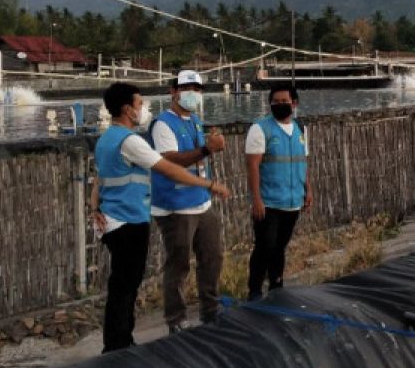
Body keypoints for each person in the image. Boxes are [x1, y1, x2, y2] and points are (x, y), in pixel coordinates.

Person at [92, 83, 230, 353]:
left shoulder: (106, 138)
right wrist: (209, 185)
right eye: (140, 104)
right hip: (129, 221)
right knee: (126, 286)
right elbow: (168, 169)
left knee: (122, 285)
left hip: (113, 219)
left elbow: (99, 179)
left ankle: (119, 342)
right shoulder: (130, 141)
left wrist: (94, 207)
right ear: (127, 110)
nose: (143, 109)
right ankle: (118, 346)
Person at [149, 70, 227, 332]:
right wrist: (207, 149)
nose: (193, 93)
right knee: (179, 263)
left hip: (201, 201)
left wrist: (210, 146)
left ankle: (210, 310)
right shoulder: (163, 124)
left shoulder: (194, 120)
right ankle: (176, 319)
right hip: (175, 205)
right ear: (173, 91)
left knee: (212, 257)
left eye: (197, 88)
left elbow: (197, 157)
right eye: (187, 88)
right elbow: (170, 159)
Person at [245, 82, 311, 300]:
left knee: (280, 246)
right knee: (265, 246)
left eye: (284, 102)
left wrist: (307, 189)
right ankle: (254, 290)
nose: (280, 105)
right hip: (269, 201)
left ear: (294, 103)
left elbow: (303, 161)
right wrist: (257, 200)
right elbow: (253, 165)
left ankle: (276, 285)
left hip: (292, 201)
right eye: (276, 102)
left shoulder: (300, 129)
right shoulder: (260, 129)